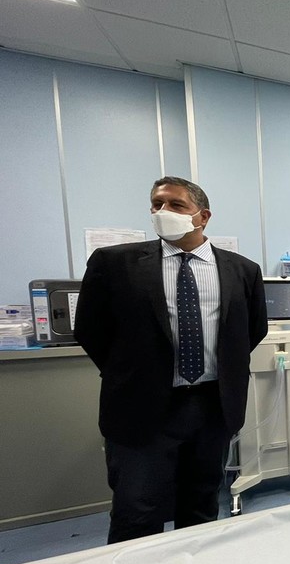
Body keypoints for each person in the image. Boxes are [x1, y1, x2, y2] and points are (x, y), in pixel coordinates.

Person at [75, 177, 268, 543]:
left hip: (211, 407)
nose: (163, 211)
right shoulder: (116, 263)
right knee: (136, 510)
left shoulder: (243, 270)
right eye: (157, 204)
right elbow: (89, 329)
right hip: (141, 407)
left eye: (176, 205)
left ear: (203, 216)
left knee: (201, 506)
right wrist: (131, 374)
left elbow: (251, 331)